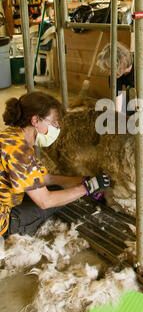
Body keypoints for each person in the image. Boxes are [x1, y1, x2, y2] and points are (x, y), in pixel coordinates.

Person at [0, 91, 110, 238]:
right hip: (4, 221)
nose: (57, 128)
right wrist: (87, 188)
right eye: (53, 122)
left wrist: (84, 180)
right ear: (35, 120)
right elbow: (45, 201)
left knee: (57, 189)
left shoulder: (10, 136)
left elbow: (46, 178)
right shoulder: (20, 152)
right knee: (55, 201)